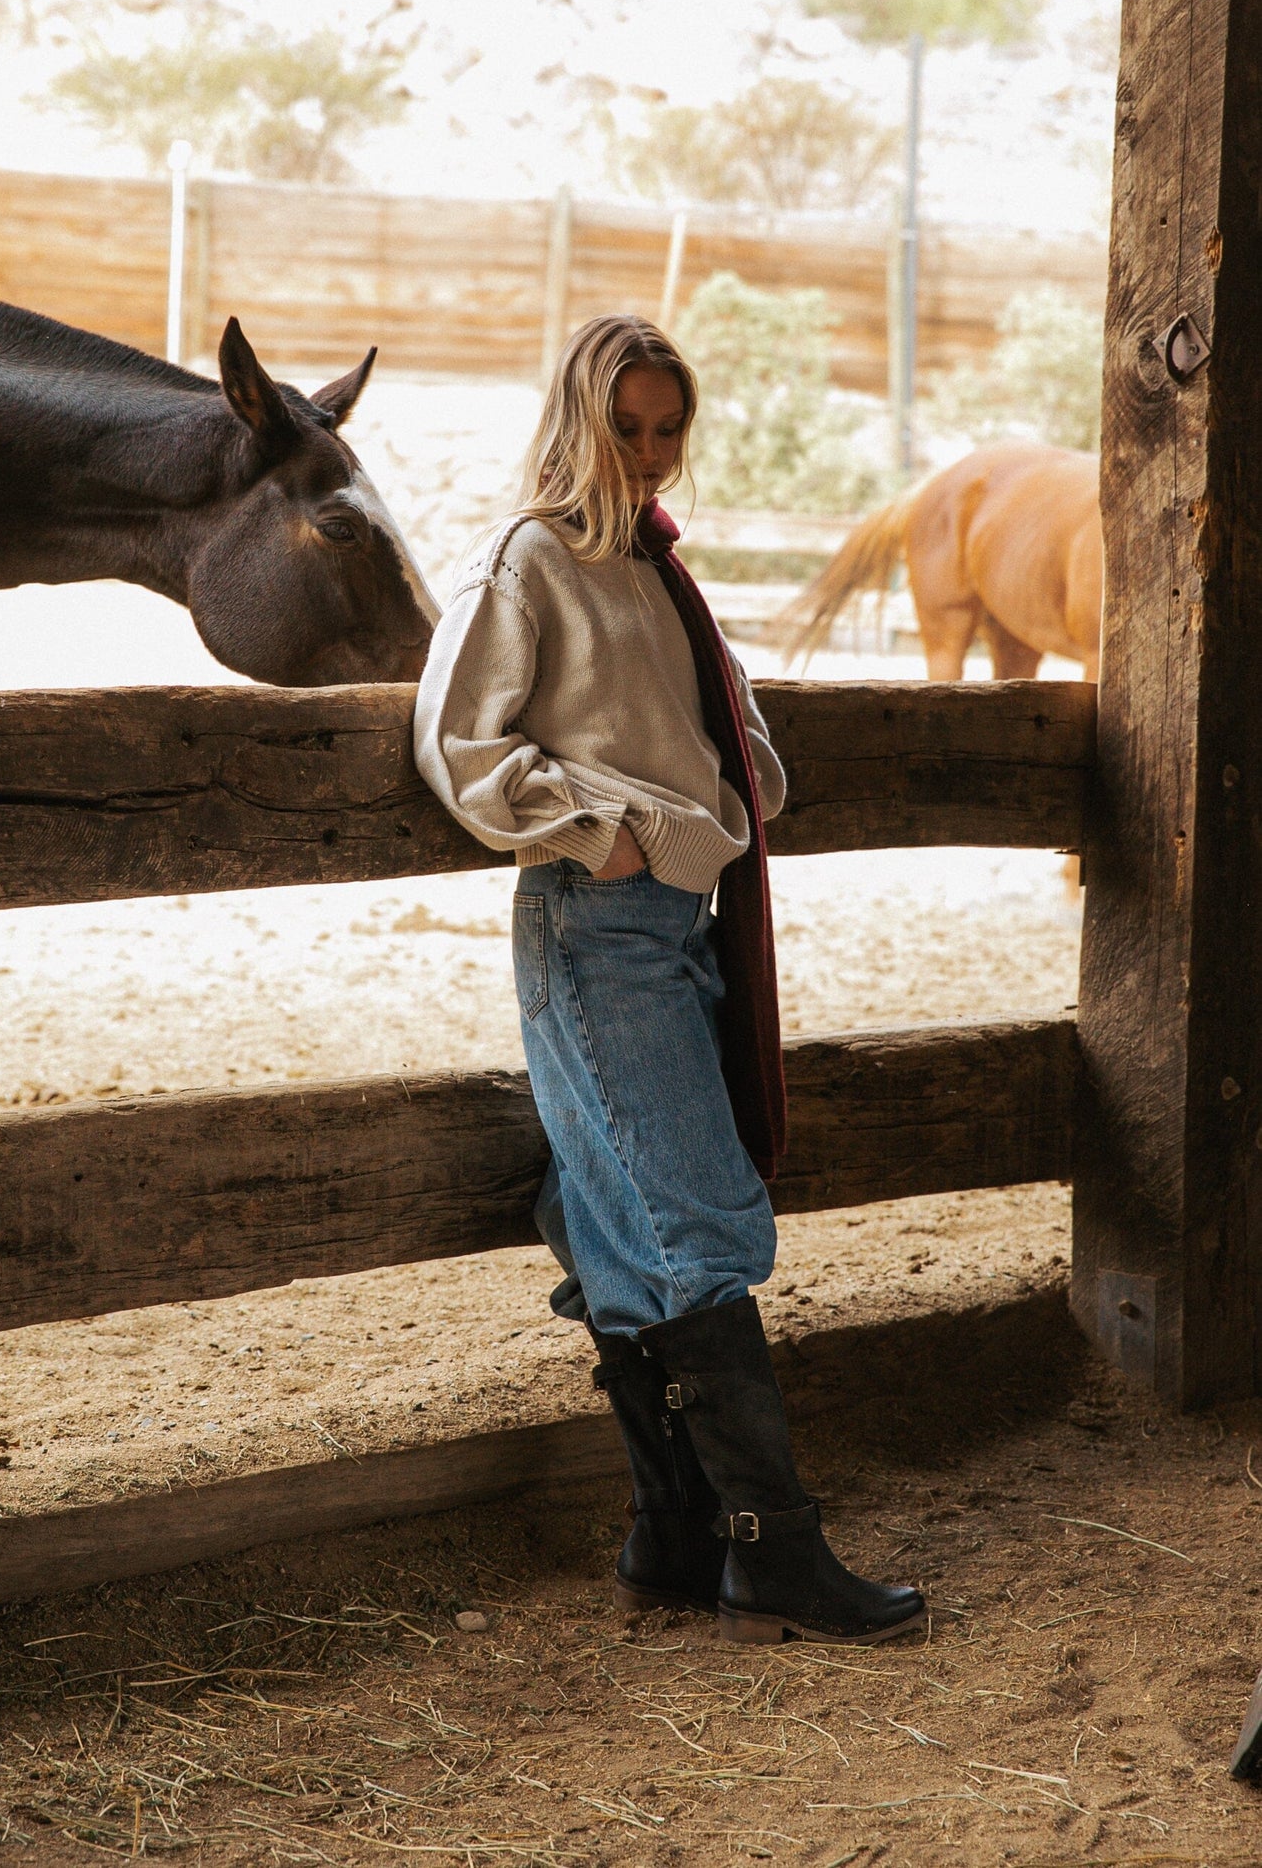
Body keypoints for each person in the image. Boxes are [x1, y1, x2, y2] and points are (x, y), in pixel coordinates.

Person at [413, 314, 924, 1646]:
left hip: (671, 921)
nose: (648, 453)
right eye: (626, 425)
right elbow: (461, 739)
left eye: (666, 428)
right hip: (599, 918)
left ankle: (678, 1531)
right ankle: (777, 1549)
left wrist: (714, 792)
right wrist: (607, 829)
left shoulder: (656, 573)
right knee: (696, 1217)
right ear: (579, 420)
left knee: (624, 1224)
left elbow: (737, 745)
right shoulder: (529, 559)